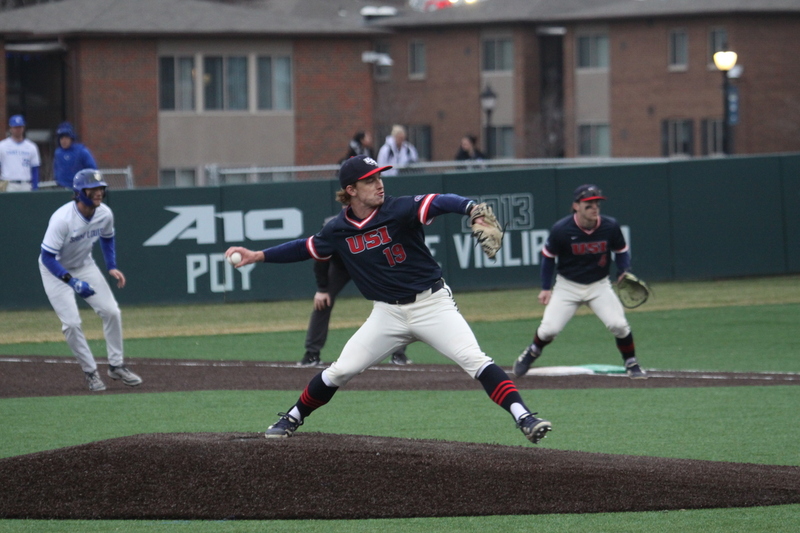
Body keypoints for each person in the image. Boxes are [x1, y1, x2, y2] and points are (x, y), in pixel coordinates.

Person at [226, 155, 552, 444]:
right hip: (386, 315)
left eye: (379, 177)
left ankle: (525, 417)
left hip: (431, 305)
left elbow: (439, 201)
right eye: (370, 180)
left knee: (475, 360)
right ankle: (292, 417)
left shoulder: (399, 209)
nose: (379, 184)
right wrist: (257, 255)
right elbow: (304, 247)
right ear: (351, 190)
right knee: (340, 371)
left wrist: (471, 208)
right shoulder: (338, 229)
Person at [513, 184, 647, 380]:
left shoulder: (610, 226)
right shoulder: (562, 229)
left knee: (618, 325)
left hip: (599, 285)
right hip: (567, 286)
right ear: (576, 206)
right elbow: (548, 257)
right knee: (549, 330)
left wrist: (623, 271)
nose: (594, 208)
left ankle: (631, 362)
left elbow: (621, 251)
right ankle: (532, 351)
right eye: (588, 204)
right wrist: (545, 288)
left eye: (597, 204)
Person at [38, 169, 142, 391]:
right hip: (54, 269)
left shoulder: (105, 214)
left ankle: (116, 365)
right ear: (79, 192)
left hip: (84, 265)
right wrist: (72, 282)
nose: (99, 193)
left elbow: (108, 238)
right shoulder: (62, 219)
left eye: (100, 188)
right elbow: (47, 257)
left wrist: (111, 266)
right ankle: (90, 372)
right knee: (71, 324)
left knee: (112, 311)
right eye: (92, 189)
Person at [300, 215, 411, 367]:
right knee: (322, 302)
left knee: (393, 301)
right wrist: (322, 288)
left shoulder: (376, 221)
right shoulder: (332, 225)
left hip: (369, 266)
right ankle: (312, 353)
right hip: (341, 267)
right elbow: (321, 256)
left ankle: (398, 353)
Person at [0, 115, 41, 192]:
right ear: (10, 128)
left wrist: (35, 187)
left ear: (23, 128)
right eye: (15, 127)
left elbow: (35, 169)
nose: (18, 129)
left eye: (20, 127)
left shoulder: (31, 147)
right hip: (8, 184)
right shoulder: (2, 146)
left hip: (25, 184)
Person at [53, 122, 97, 189]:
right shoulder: (58, 153)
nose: (64, 141)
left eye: (66, 137)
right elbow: (56, 169)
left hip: (78, 188)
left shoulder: (82, 151)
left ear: (71, 138)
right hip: (61, 188)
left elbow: (92, 169)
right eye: (61, 138)